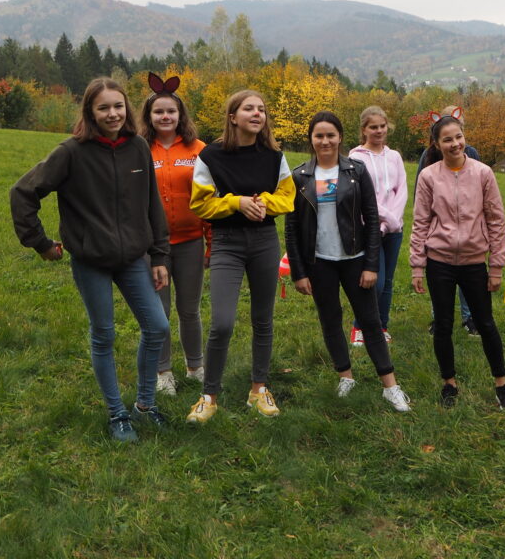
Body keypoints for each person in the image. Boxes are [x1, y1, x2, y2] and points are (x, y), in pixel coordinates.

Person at [10, 77, 171, 443]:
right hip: (91, 259)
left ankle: (145, 405)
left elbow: (152, 204)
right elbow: (22, 192)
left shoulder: (138, 148)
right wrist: (39, 243)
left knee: (157, 327)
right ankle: (117, 414)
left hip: (133, 258)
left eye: (118, 106)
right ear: (90, 112)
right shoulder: (71, 152)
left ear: (127, 108)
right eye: (103, 108)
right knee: (104, 334)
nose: (113, 114)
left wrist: (159, 254)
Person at [285, 111, 411, 411]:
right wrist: (299, 272)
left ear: (340, 137)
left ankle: (390, 386)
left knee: (371, 321)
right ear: (311, 139)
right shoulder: (300, 176)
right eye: (319, 135)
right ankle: (345, 377)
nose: (325, 141)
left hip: (355, 259)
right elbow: (292, 228)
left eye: (331, 135)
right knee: (330, 320)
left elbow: (371, 217)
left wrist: (371, 265)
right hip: (319, 262)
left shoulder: (356, 171)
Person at [185, 90, 295, 423]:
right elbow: (200, 203)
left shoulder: (274, 156)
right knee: (222, 323)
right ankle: (209, 396)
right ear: (233, 117)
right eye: (249, 108)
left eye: (261, 109)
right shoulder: (211, 156)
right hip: (227, 242)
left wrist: (263, 204)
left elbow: (288, 197)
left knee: (263, 319)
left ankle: (258, 390)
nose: (257, 113)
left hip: (264, 240)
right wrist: (237, 203)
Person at [410, 111, 505, 410]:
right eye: (447, 140)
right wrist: (417, 265)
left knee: (486, 323)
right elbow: (420, 222)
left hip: (473, 262)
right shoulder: (428, 177)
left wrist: (496, 266)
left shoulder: (483, 173)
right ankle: (449, 383)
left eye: (459, 137)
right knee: (443, 325)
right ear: (436, 144)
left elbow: (496, 220)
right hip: (439, 263)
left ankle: (502, 383)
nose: (455, 144)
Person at [140, 72, 212, 397]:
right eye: (159, 111)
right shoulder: (140, 150)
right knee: (159, 311)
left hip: (191, 242)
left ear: (181, 115)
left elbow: (209, 198)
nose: (165, 116)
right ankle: (163, 371)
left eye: (171, 111)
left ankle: (195, 366)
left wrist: (210, 243)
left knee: (189, 309)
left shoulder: (199, 150)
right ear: (149, 116)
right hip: (153, 247)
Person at [416, 105, 481, 337]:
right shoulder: (428, 156)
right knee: (439, 278)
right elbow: (420, 195)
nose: (454, 142)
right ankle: (439, 318)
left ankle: (469, 317)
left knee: (467, 277)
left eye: (459, 131)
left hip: (468, 230)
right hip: (439, 230)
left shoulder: (472, 153)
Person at [347, 106, 407, 346]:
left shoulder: (395, 157)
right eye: (373, 127)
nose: (379, 131)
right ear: (364, 130)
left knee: (388, 282)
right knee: (374, 282)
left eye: (382, 126)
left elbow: (402, 190)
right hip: (368, 228)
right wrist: (385, 221)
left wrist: (392, 222)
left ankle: (382, 326)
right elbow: (362, 196)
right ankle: (360, 326)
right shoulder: (356, 158)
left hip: (394, 230)